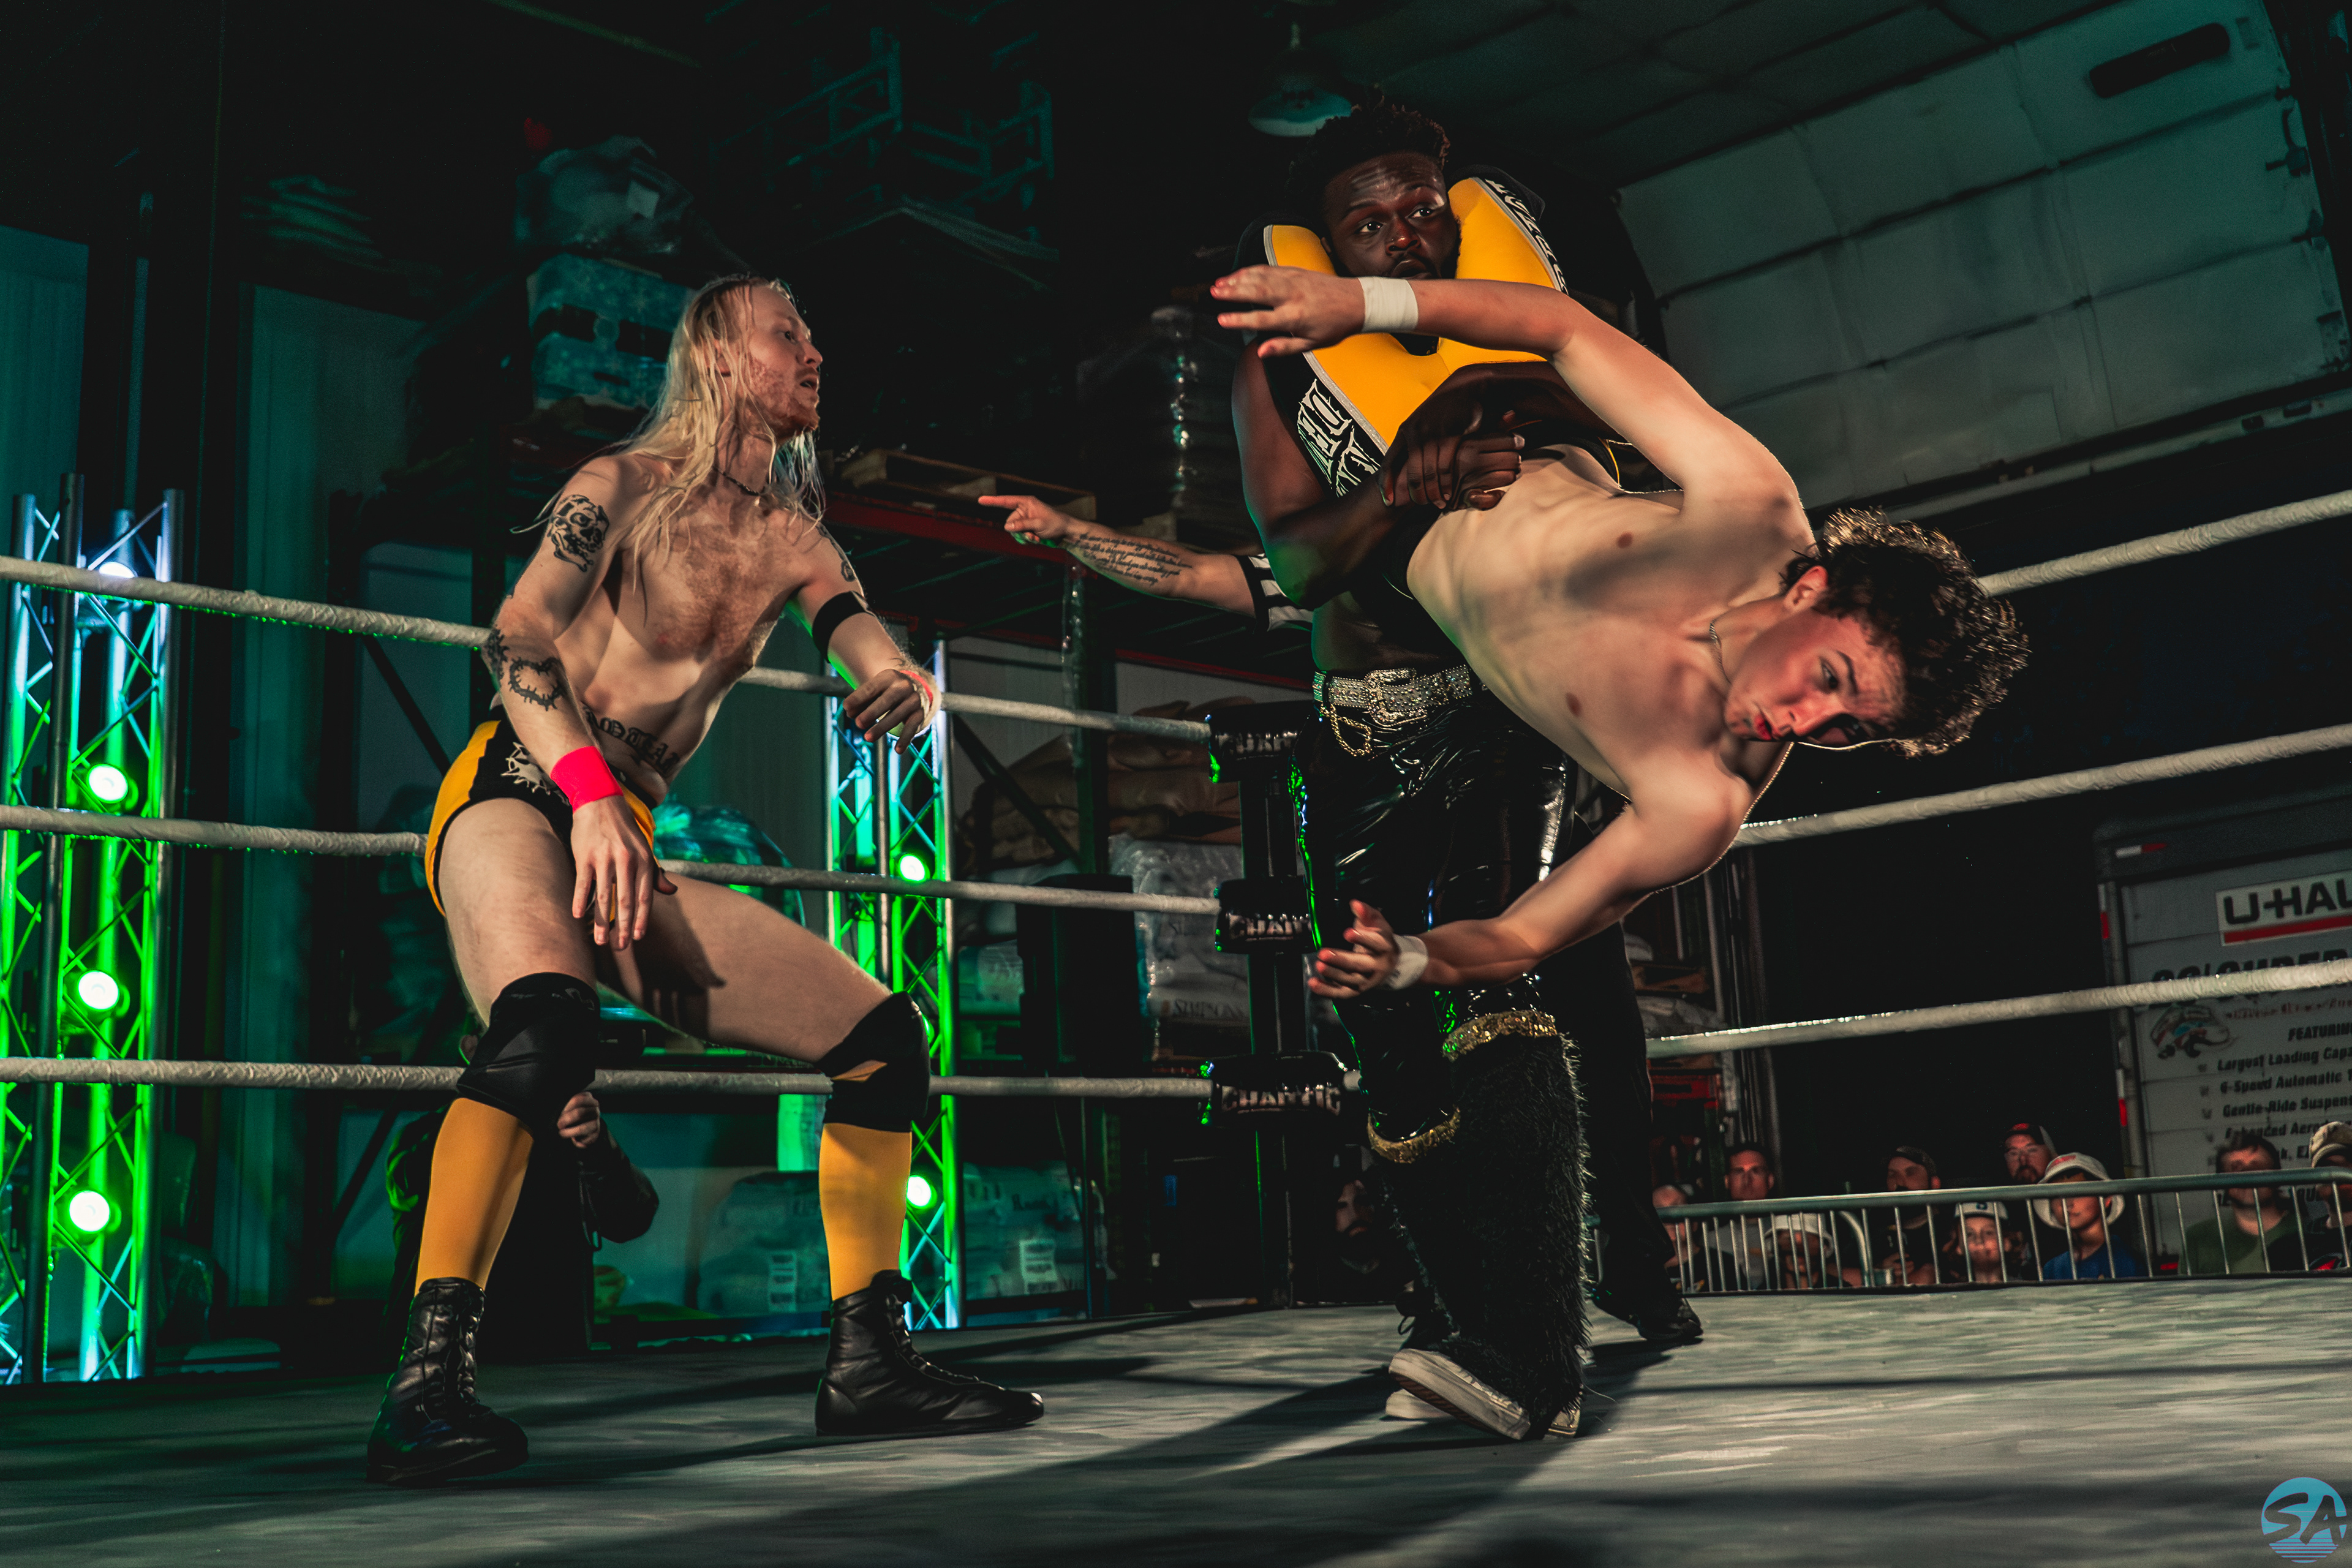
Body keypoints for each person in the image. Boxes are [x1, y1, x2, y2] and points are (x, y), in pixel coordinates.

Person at [366, 274, 1041, 1487]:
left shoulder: (799, 541)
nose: (815, 353)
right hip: (524, 781)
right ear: (722, 357)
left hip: (624, 824)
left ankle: (871, 1363)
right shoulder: (619, 486)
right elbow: (516, 640)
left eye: (815, 334)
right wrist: (586, 794)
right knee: (542, 1026)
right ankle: (427, 1386)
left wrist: (905, 686)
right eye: (790, 332)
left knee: (886, 1040)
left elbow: (867, 640)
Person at [1208, 262, 2028, 1001]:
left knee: (1281, 489)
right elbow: (1567, 331)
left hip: (1399, 545)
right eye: (1829, 678)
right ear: (1810, 590)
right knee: (1369, 234)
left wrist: (1408, 961)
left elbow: (1522, 938)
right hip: (1519, 430)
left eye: (1851, 730)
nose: (1806, 725)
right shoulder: (1752, 510)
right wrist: (1358, 303)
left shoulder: (1697, 803)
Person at [385, 1088, 657, 1362]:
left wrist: (597, 1146)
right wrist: (495, 1108)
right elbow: (415, 1183)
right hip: (446, 1359)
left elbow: (633, 1218)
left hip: (552, 1358)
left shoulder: (563, 1139)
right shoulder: (426, 1135)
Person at [2180, 1132, 2310, 1276]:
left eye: (2258, 1168)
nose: (2248, 1178)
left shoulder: (2308, 1231)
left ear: (2277, 1174)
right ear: (2221, 1182)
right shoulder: (2199, 1239)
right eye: (2237, 1170)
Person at [1841, 1146, 1943, 1288]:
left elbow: (1929, 1275)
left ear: (1935, 1183)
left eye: (1910, 1173)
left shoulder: (1949, 1226)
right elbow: (1832, 1269)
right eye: (1892, 1175)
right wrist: (1879, 1271)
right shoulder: (1876, 1228)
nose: (1899, 1182)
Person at [2032, 1154, 2144, 1280]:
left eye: (2079, 1191)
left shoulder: (2124, 1262)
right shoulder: (2053, 1268)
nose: (2067, 1203)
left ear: (2106, 1199)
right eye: (2056, 1195)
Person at [1939, 1200, 2034, 1284]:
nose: (1979, 1241)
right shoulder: (1954, 1294)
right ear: (1958, 1246)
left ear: (2006, 1242)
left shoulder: (2024, 1290)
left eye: (1989, 1233)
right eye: (1969, 1234)